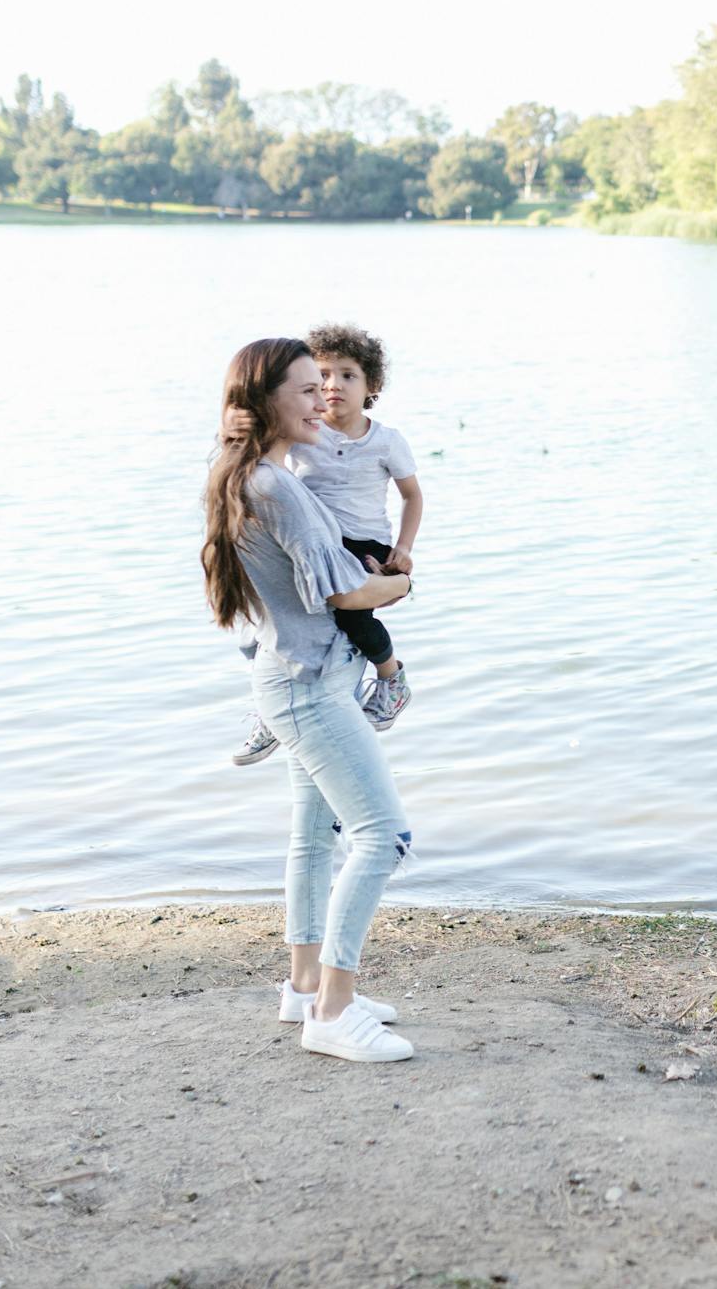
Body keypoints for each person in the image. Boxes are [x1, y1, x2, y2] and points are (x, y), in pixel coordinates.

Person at [203, 337, 420, 1063]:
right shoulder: (279, 486)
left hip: (293, 677)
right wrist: (400, 586)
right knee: (382, 835)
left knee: (312, 835)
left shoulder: (244, 474)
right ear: (266, 403)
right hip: (310, 685)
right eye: (303, 388)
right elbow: (345, 593)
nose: (321, 398)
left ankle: (305, 984)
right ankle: (331, 1009)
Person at [231, 323, 423, 765]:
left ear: (371, 384)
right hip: (311, 539)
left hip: (362, 543)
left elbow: (412, 494)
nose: (333, 387)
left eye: (348, 375)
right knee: (259, 620)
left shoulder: (386, 441)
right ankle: (270, 708)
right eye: (322, 378)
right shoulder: (306, 434)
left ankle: (391, 679)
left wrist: (405, 549)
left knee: (352, 619)